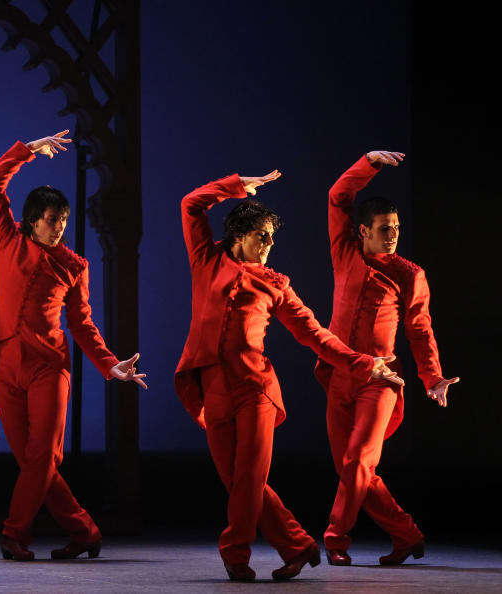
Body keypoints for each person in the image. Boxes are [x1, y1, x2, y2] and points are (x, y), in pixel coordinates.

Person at [173, 169, 403, 582]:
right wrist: (236, 186)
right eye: (262, 236)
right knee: (240, 482)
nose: (269, 244)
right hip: (214, 389)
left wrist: (365, 362)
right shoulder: (206, 259)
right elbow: (191, 204)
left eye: (271, 237)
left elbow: (316, 335)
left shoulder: (276, 285)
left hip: (256, 391)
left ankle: (235, 552)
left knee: (248, 477)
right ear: (239, 235)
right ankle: (297, 545)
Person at [0, 130, 147, 562]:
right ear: (31, 220)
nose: (60, 226)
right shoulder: (7, 240)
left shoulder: (74, 266)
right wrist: (26, 152)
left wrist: (109, 365)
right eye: (52, 219)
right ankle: (85, 532)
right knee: (34, 463)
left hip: (49, 367)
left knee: (43, 456)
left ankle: (14, 535)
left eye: (64, 220)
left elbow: (82, 324)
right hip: (7, 366)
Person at [317, 151, 459, 566]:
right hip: (341, 375)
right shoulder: (345, 252)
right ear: (362, 231)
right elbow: (337, 196)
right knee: (353, 469)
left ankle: (334, 538)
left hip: (382, 379)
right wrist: (369, 163)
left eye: (396, 228)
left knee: (360, 459)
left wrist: (432, 378)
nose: (392, 235)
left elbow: (419, 328)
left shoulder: (409, 273)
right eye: (384, 229)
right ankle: (407, 535)